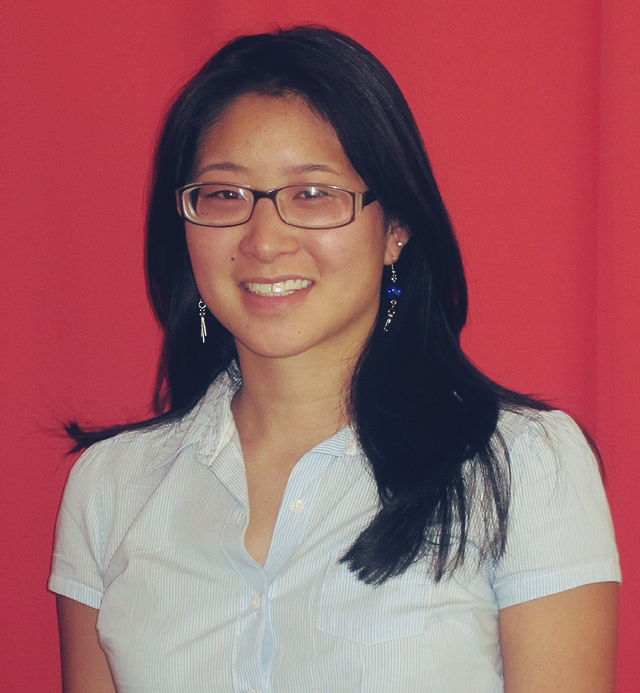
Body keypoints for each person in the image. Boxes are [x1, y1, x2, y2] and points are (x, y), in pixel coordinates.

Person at [49, 26, 620, 693]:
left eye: (313, 195)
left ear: (396, 227)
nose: (264, 241)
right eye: (226, 195)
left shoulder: (522, 467)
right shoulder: (110, 488)